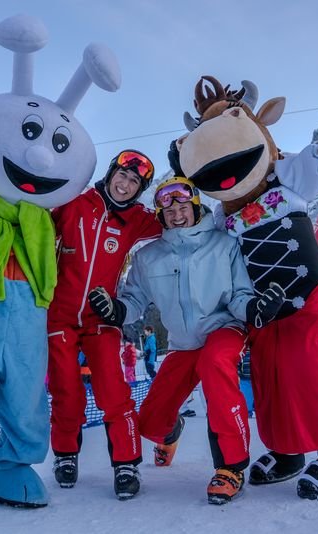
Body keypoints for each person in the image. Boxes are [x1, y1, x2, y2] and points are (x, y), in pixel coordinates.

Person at [88, 177, 285, 505]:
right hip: (183, 344)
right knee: (150, 421)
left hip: (224, 329)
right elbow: (135, 302)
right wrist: (115, 311)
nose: (177, 215)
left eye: (183, 207)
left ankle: (231, 466)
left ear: (195, 207)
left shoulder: (224, 244)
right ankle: (171, 429)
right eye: (170, 210)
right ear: (161, 215)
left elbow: (240, 295)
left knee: (215, 363)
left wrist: (255, 309)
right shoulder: (148, 256)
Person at [47, 149, 162, 500]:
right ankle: (66, 455)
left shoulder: (139, 219)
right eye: (122, 176)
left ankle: (126, 463)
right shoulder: (75, 202)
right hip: (60, 316)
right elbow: (38, 224)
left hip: (102, 319)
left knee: (113, 391)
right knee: (66, 390)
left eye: (134, 182)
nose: (125, 185)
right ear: (111, 173)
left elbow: (177, 217)